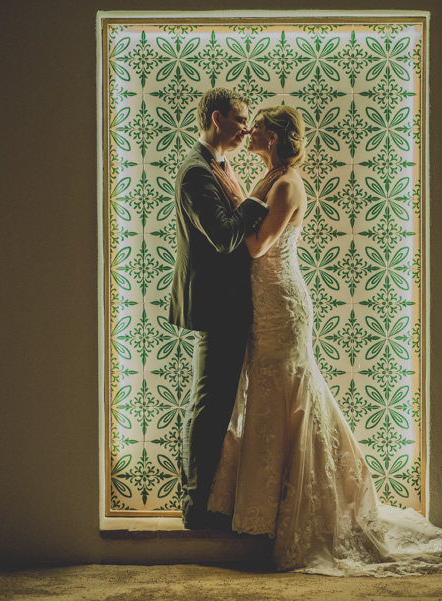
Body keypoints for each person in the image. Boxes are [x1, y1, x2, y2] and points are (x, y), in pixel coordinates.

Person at [206, 105, 442, 576]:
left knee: (290, 393)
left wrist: (236, 212)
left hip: (283, 304)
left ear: (278, 137)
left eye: (261, 125)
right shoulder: (268, 178)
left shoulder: (286, 185)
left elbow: (258, 246)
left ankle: (311, 510)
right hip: (263, 304)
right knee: (268, 395)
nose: (253, 130)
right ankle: (268, 509)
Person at [169, 88, 284, 530]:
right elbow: (224, 237)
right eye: (240, 120)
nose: (247, 128)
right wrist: (257, 202)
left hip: (230, 302)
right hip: (216, 306)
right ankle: (195, 507)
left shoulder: (221, 166)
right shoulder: (197, 172)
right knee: (209, 404)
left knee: (215, 402)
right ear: (218, 119)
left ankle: (205, 498)